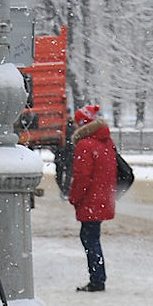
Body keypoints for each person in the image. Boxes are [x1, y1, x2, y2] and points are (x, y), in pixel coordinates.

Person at [66, 104, 116, 292]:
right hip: (103, 197)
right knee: (92, 237)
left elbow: (82, 177)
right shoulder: (106, 141)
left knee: (90, 239)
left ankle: (97, 279)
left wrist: (74, 198)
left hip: (90, 200)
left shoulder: (84, 145)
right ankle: (98, 277)